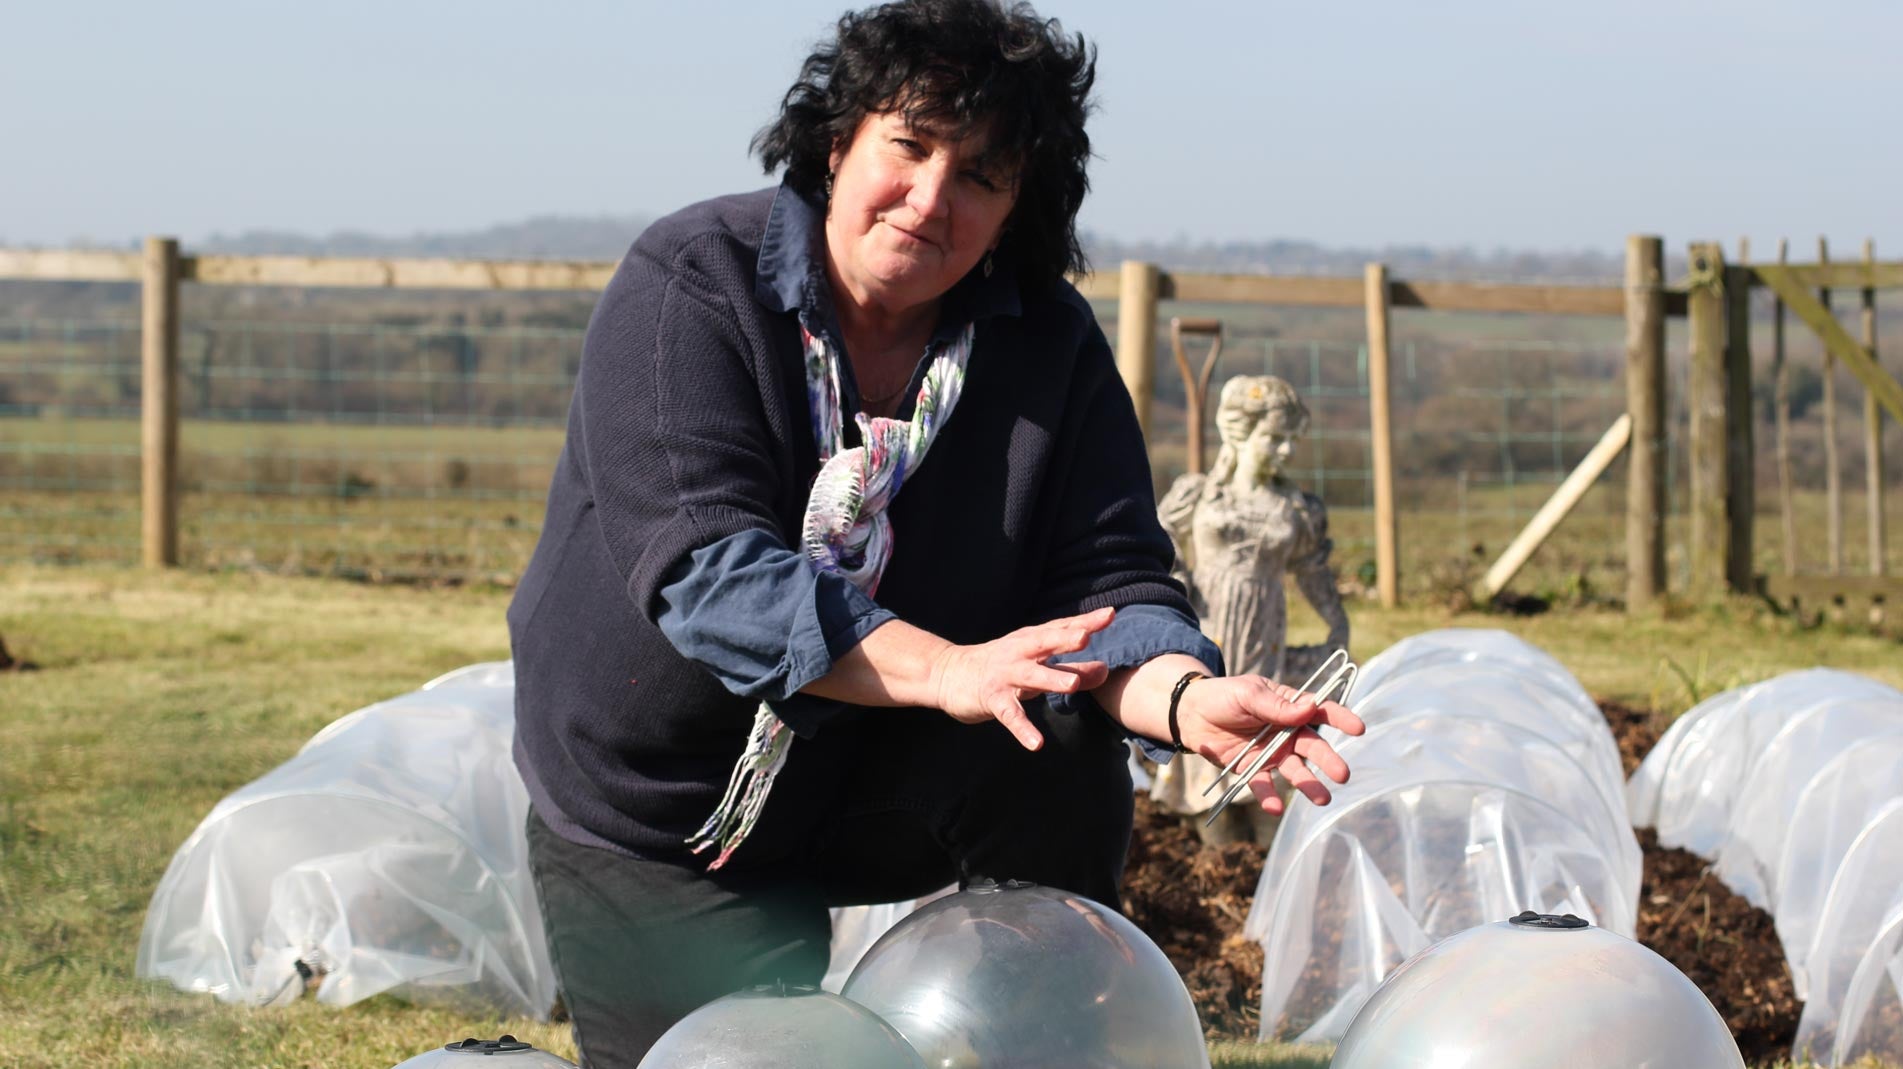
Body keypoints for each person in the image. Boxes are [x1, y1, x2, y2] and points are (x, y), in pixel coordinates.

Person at [507, 1, 1363, 1063]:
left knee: (1053, 737)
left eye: (980, 176)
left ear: (1015, 210)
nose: (929, 198)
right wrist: (948, 666)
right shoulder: (694, 285)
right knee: (731, 1052)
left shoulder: (1045, 342)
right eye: (907, 146)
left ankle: (1048, 1019)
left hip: (889, 774)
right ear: (838, 143)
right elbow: (709, 572)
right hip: (671, 804)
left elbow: (1109, 582)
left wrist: (1186, 699)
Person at [1150, 375, 1352, 842]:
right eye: (1274, 439)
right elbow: (1157, 543)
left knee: (1263, 720)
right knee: (1208, 713)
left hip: (1264, 629)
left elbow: (1312, 569)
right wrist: (1177, 586)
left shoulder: (1295, 508)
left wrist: (1336, 620)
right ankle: (1214, 842)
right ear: (1240, 435)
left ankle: (1265, 839)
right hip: (1208, 624)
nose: (1285, 452)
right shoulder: (1199, 495)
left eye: (1291, 441)